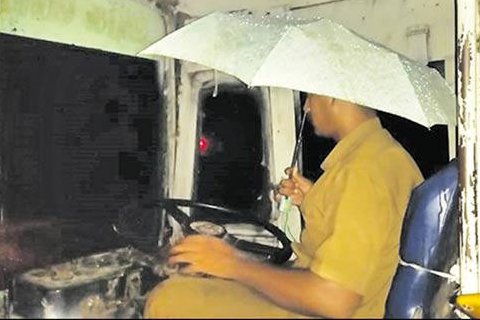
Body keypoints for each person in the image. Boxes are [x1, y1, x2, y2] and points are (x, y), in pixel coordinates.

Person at [144, 93, 424, 318]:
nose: (307, 106)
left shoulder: (362, 173)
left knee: (168, 299)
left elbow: (333, 300)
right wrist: (314, 200)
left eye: (311, 96)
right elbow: (370, 234)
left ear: (333, 97)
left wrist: (232, 264)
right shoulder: (388, 157)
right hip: (363, 304)